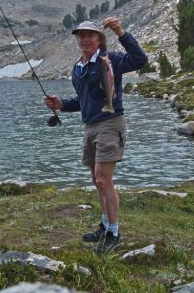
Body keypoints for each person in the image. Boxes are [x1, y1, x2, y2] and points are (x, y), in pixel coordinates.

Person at [44, 17, 148, 253]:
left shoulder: (109, 59)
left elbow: (140, 60)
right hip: (90, 126)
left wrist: (122, 33)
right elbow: (82, 102)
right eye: (80, 36)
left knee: (103, 179)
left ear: (99, 39)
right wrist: (60, 104)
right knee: (96, 180)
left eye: (89, 35)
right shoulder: (77, 68)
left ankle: (114, 233)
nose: (84, 39)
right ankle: (105, 225)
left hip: (110, 123)